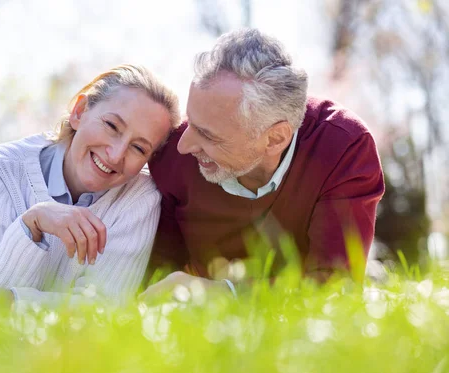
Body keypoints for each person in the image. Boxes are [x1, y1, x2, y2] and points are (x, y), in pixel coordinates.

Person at [140, 29, 385, 302]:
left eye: (208, 135)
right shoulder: (171, 154)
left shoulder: (344, 147)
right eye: (190, 121)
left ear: (275, 138)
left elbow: (335, 288)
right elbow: (156, 278)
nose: (185, 145)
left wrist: (223, 294)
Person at [0, 64, 180, 307]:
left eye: (139, 148)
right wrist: (31, 225)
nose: (115, 155)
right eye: (112, 126)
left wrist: (12, 301)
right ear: (79, 112)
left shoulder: (139, 197)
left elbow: (103, 310)